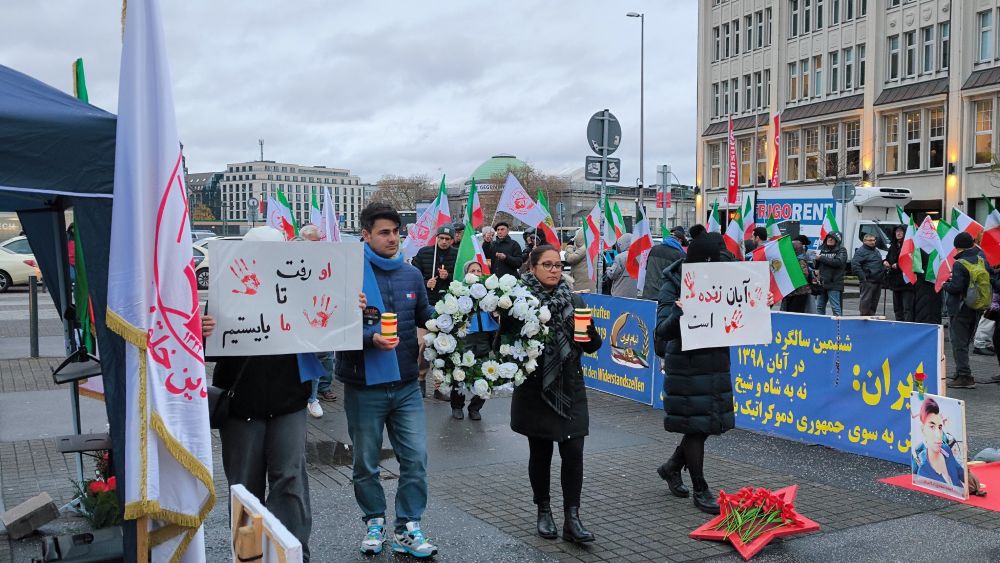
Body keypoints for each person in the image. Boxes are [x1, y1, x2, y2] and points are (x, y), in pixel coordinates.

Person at [202, 226, 366, 560]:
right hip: (240, 403)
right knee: (244, 487)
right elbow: (205, 349)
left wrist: (349, 307)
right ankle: (249, 554)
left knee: (290, 480)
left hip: (290, 400)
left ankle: (292, 553)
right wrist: (200, 328)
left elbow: (331, 332)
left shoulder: (303, 286)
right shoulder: (226, 289)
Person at [336, 203, 438, 557]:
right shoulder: (348, 275)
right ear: (365, 235)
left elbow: (426, 314)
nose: (393, 238)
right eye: (384, 232)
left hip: (408, 384)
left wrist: (460, 309)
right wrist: (369, 338)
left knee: (416, 458)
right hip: (364, 385)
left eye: (396, 231)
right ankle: (374, 521)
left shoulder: (410, 274)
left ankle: (408, 526)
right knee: (365, 462)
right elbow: (330, 324)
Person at [510, 245, 602, 543]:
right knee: (541, 453)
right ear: (533, 268)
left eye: (557, 265)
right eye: (547, 265)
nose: (554, 270)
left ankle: (572, 518)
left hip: (570, 386)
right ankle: (544, 510)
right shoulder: (518, 301)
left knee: (574, 453)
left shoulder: (573, 300)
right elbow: (505, 345)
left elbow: (592, 346)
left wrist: (586, 332)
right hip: (535, 389)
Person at [654, 235, 736, 515]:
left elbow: (739, 310)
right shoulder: (673, 282)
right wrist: (681, 313)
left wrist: (760, 304)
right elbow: (662, 331)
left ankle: (672, 467)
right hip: (687, 364)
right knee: (697, 429)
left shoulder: (726, 274)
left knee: (706, 424)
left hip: (715, 362)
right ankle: (701, 488)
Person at [411, 225, 458, 400]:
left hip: (448, 308)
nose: (444, 241)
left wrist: (449, 278)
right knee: (423, 345)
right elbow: (413, 275)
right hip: (425, 307)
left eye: (447, 239)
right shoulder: (424, 253)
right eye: (441, 238)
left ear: (452, 240)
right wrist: (425, 282)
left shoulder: (457, 254)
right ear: (436, 238)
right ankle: (420, 379)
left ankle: (439, 385)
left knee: (445, 347)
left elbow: (462, 277)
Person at [451, 261, 498, 420]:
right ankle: (457, 406)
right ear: (466, 274)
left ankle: (475, 407)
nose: (477, 273)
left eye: (479, 270)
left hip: (485, 336)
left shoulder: (490, 292)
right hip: (467, 337)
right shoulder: (460, 292)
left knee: (486, 373)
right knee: (461, 373)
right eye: (473, 270)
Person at [298, 224, 337, 417]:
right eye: (314, 241)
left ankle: (313, 398)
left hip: (318, 315)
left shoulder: (326, 260)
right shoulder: (293, 259)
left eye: (319, 241)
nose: (318, 245)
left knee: (316, 356)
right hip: (297, 316)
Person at [942, 232, 987, 389]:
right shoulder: (981, 259)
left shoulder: (960, 263)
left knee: (958, 343)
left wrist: (945, 284)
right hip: (975, 306)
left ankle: (964, 376)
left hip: (960, 308)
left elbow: (956, 287)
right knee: (966, 342)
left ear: (957, 247)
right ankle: (960, 371)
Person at [914, 397, 965, 488]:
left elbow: (961, 473)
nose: (938, 435)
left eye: (940, 427)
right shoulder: (923, 472)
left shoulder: (945, 449)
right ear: (923, 430)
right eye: (932, 427)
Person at [641, 228, 686, 300]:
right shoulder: (680, 255)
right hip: (666, 296)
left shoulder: (654, 249)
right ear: (680, 241)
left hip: (649, 292)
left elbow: (646, 268)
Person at [884, 225, 914, 322]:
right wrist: (884, 261)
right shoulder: (893, 246)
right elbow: (888, 258)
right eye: (897, 231)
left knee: (907, 308)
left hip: (906, 283)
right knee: (897, 308)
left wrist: (899, 265)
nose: (898, 233)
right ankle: (899, 325)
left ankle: (907, 327)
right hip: (895, 282)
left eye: (901, 231)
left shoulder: (909, 246)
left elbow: (912, 261)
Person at [852, 233, 886, 316]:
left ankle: (871, 320)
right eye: (870, 240)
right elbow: (855, 265)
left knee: (874, 304)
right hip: (868, 281)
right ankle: (864, 321)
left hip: (877, 281)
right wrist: (863, 278)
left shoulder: (876, 250)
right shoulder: (860, 251)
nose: (873, 242)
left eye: (874, 240)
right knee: (865, 304)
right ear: (864, 241)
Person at [816, 232, 847, 316]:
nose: (829, 239)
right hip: (822, 283)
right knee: (819, 307)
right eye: (828, 237)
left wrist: (821, 258)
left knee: (835, 308)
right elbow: (816, 265)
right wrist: (815, 259)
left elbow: (838, 262)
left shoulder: (841, 250)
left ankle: (838, 327)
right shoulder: (821, 249)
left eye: (832, 238)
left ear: (837, 240)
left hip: (834, 283)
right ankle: (820, 326)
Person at [781, 240, 813, 313]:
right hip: (792, 292)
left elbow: (804, 275)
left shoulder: (800, 260)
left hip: (799, 293)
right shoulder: (793, 259)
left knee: (795, 313)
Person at [564, 228, 596, 293]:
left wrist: (569, 247)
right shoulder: (591, 245)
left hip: (582, 282)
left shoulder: (586, 247)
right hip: (586, 281)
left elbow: (571, 259)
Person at [607, 233, 638, 298]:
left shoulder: (620, 257)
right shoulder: (639, 256)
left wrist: (608, 269)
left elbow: (612, 275)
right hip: (635, 293)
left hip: (621, 292)